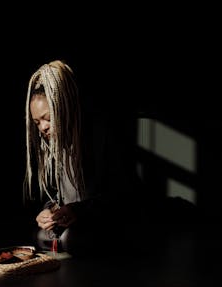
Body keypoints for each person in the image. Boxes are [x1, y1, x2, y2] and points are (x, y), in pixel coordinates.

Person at [22, 59, 167, 256]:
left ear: (64, 107)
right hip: (74, 228)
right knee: (41, 235)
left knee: (73, 239)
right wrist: (50, 211)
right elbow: (58, 196)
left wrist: (79, 211)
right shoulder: (56, 145)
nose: (43, 128)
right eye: (37, 122)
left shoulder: (100, 136)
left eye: (48, 118)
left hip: (107, 223)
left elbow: (123, 196)